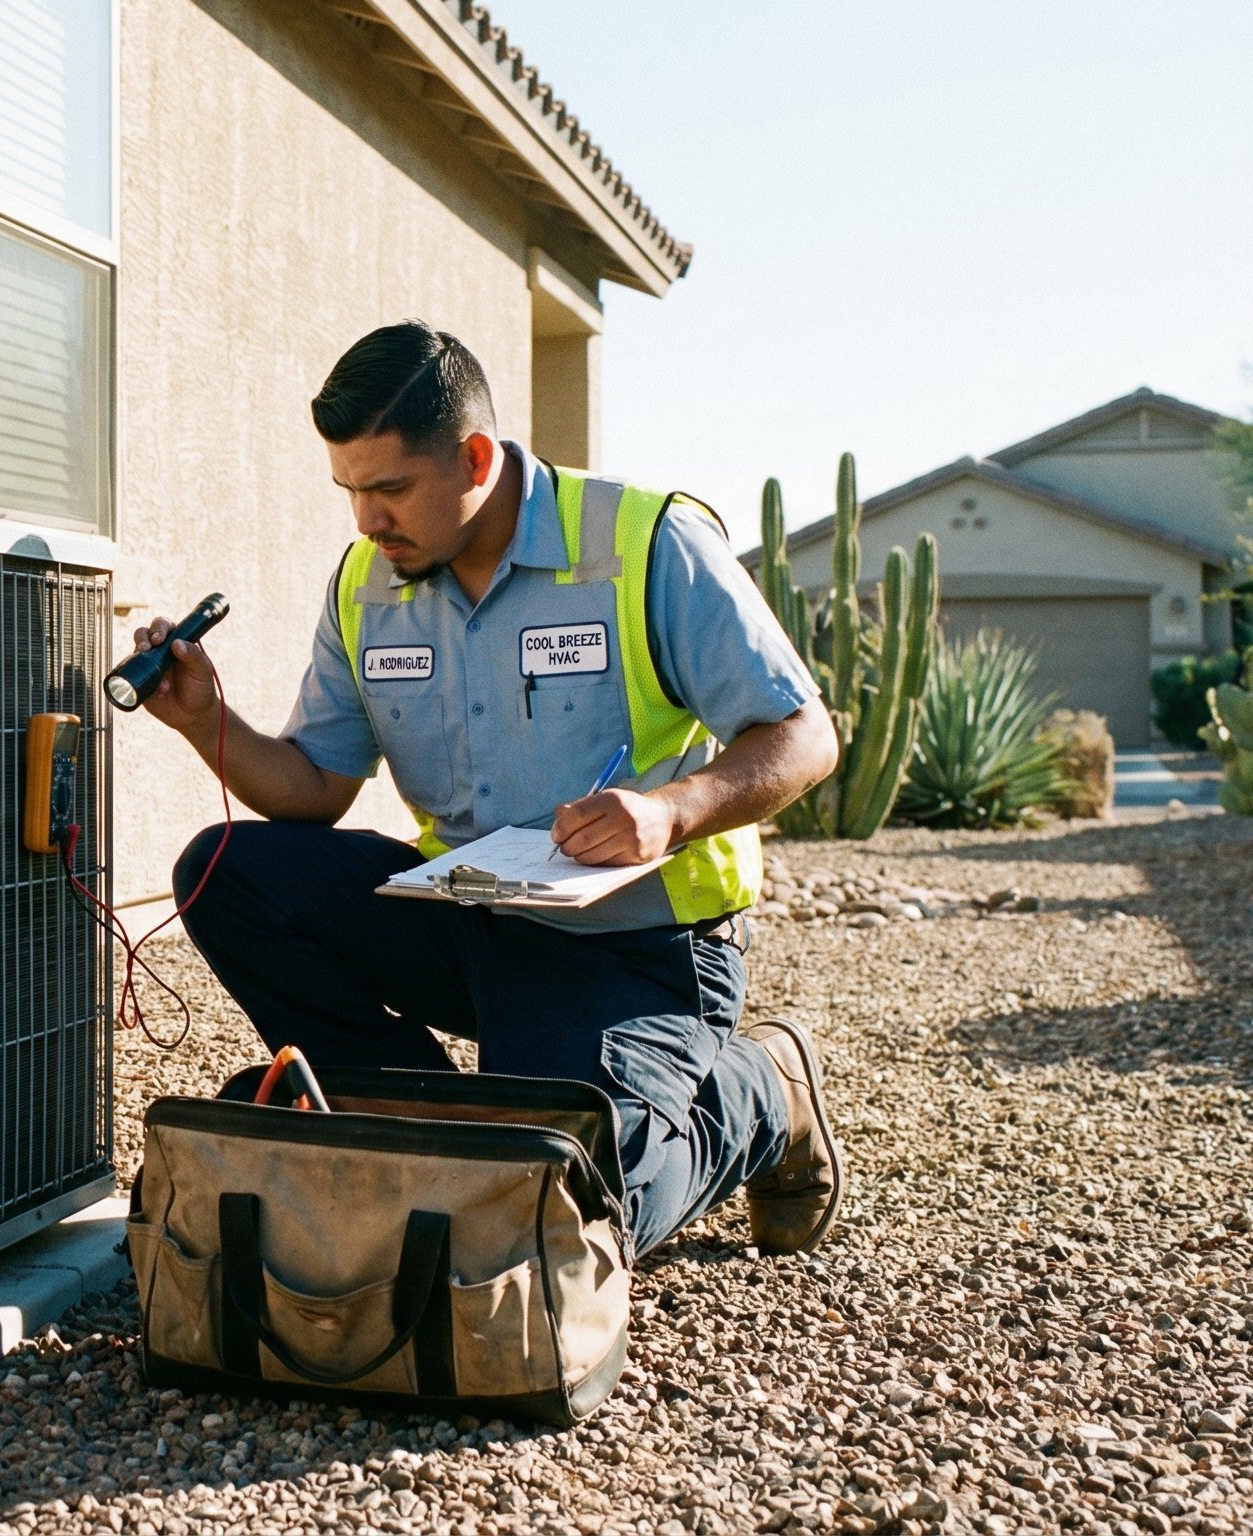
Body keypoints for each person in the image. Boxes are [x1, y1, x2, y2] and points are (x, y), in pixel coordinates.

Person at [129, 320, 847, 1256]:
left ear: (475, 457)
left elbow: (805, 734)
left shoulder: (643, 542)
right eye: (350, 491)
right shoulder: (366, 584)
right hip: (468, 922)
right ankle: (418, 1136)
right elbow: (315, 792)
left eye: (389, 489)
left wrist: (670, 812)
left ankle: (764, 1089)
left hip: (639, 949)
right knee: (230, 870)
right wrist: (204, 722)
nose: (366, 521)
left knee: (570, 1210)